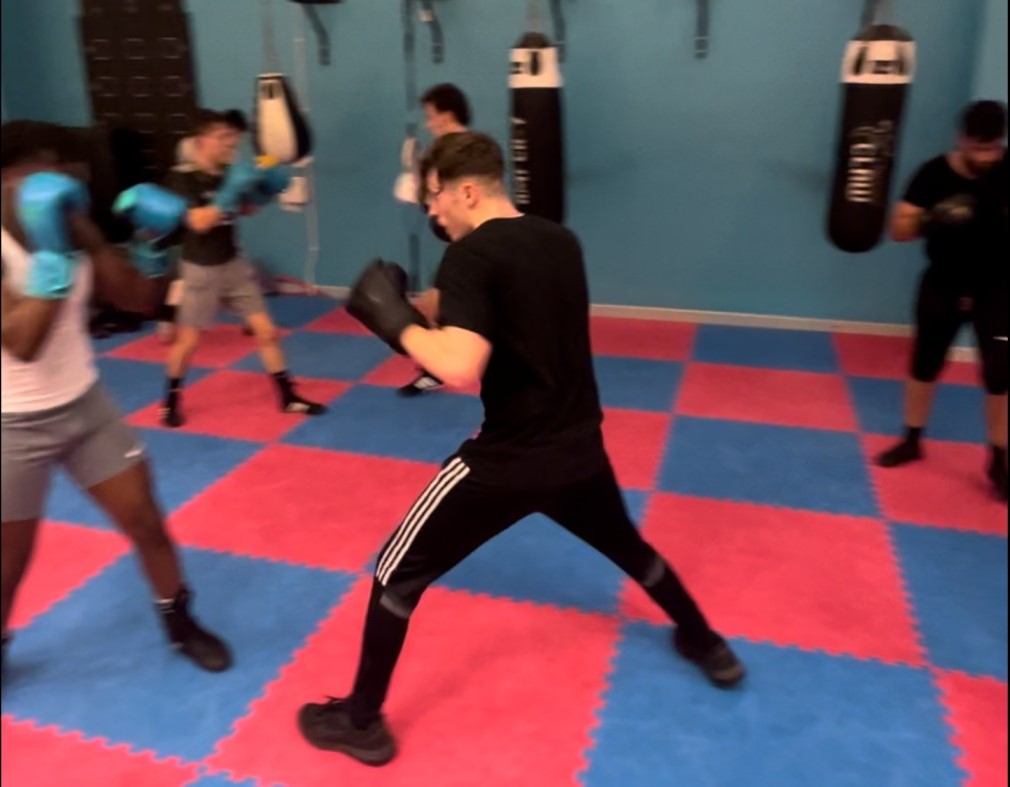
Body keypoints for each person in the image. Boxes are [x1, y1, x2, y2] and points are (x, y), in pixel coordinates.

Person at [297, 132, 745, 766]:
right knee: (630, 549)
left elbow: (458, 366)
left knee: (394, 574)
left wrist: (391, 321)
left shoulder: (472, 255)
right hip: (578, 448)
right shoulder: (559, 240)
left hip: (506, 462)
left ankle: (361, 721)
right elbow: (508, 314)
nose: (432, 214)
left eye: (435, 200)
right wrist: (415, 306)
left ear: (467, 191)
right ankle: (707, 644)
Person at [1, 120, 231, 673]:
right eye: (36, 173)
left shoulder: (71, 223)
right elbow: (22, 341)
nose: (50, 184)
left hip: (85, 406)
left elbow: (137, 299)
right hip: (11, 425)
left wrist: (152, 243)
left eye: (56, 171)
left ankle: (180, 622)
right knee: (8, 562)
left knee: (147, 522)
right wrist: (54, 256)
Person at [158, 108, 326, 428]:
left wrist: (265, 190)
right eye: (222, 138)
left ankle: (288, 396)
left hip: (232, 264)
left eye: (231, 137)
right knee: (188, 342)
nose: (230, 144)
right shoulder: (181, 179)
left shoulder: (226, 173)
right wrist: (231, 190)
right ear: (201, 140)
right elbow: (198, 221)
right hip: (200, 269)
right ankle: (170, 401)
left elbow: (245, 210)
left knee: (267, 332)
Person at [878, 100, 1008, 502]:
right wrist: (931, 219)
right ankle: (912, 438)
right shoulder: (934, 172)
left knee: (1001, 372)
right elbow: (898, 228)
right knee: (925, 362)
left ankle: (1000, 459)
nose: (984, 156)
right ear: (962, 138)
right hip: (942, 282)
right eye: (977, 148)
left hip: (998, 286)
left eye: (992, 149)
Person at [399, 83, 473, 398]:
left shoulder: (462, 149)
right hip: (459, 241)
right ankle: (436, 368)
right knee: (439, 304)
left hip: (470, 240)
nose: (428, 122)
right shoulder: (444, 147)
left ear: (446, 114)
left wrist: (421, 179)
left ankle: (436, 369)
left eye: (431, 115)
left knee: (436, 304)